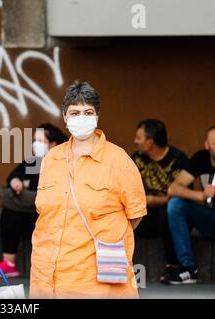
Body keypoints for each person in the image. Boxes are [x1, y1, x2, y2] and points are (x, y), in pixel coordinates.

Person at [30, 81, 147, 298]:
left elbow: (135, 215)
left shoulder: (118, 160)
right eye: (74, 112)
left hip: (96, 281)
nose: (81, 117)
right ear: (64, 116)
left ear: (97, 116)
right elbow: (46, 214)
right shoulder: (51, 159)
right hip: (45, 277)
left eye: (88, 112)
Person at [0, 123, 67, 278]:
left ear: (53, 144)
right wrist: (16, 181)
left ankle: (49, 265)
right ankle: (9, 264)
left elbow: (52, 183)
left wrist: (29, 184)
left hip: (53, 216)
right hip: (29, 214)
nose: (36, 144)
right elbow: (14, 175)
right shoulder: (34, 161)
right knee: (10, 213)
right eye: (34, 140)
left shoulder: (62, 160)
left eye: (40, 140)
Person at [132, 119, 188, 282]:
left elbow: (181, 195)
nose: (135, 141)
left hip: (171, 214)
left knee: (169, 210)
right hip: (146, 214)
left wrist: (152, 200)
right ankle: (125, 267)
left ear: (150, 142)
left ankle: (173, 265)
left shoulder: (178, 159)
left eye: (139, 138)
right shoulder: (137, 158)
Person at [166, 125, 215, 284]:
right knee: (176, 204)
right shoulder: (201, 158)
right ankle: (188, 268)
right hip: (209, 218)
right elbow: (173, 189)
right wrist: (201, 195)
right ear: (207, 145)